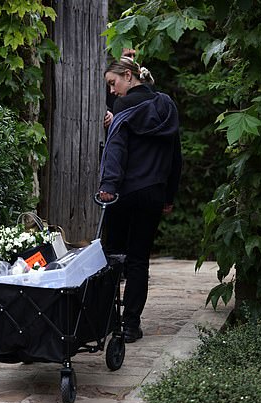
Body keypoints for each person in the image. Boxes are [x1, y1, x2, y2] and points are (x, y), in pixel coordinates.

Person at [98, 55, 182, 343]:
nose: (112, 91)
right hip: (153, 193)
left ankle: (108, 320)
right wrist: (168, 195)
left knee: (113, 257)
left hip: (123, 192)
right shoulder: (167, 106)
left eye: (113, 82)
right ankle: (131, 325)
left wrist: (108, 184)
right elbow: (175, 155)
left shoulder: (122, 106)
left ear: (130, 76)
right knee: (139, 260)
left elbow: (117, 149)